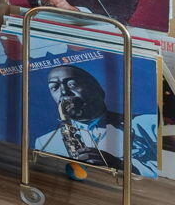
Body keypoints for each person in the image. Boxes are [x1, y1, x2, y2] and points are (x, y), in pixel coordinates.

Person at [28, 64, 159, 176]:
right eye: (54, 87)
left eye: (72, 84)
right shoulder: (44, 142)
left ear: (98, 90)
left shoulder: (147, 123)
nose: (63, 92)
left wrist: (120, 165)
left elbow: (164, 173)